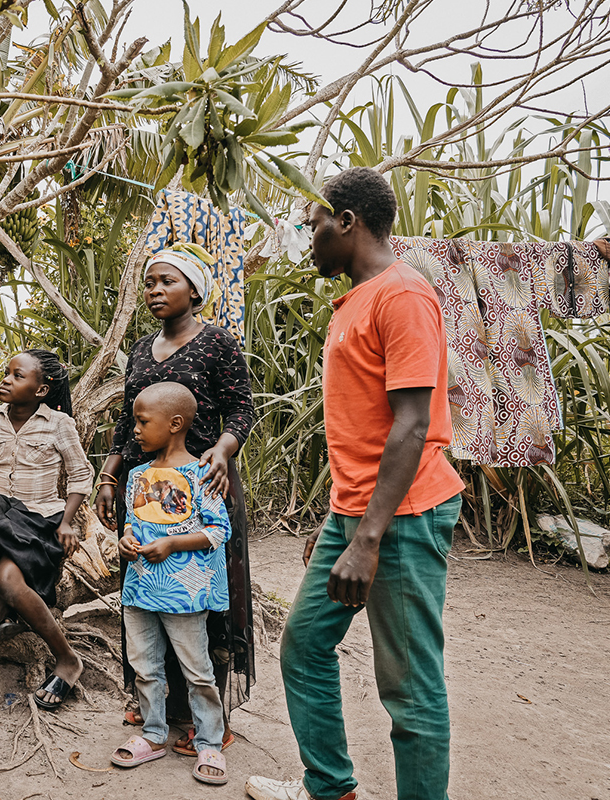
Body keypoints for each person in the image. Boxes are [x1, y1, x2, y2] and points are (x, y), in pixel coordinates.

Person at [245, 167, 465, 800]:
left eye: (313, 225)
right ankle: (330, 788)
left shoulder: (403, 295)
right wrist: (338, 523)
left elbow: (413, 424)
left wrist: (367, 538)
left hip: (403, 517)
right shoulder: (357, 299)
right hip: (358, 515)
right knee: (305, 647)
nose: (308, 237)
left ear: (348, 222)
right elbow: (363, 433)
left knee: (408, 687)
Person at [94, 243, 254, 755]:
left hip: (204, 484)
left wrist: (223, 452)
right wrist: (110, 475)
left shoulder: (218, 344)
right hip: (145, 488)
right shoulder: (141, 349)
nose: (155, 290)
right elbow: (128, 419)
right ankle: (155, 708)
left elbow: (242, 410)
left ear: (195, 290)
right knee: (147, 590)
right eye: (149, 282)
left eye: (167, 281)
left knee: (201, 596)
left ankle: (204, 720)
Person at [0, 350, 92, 710]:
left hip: (39, 519)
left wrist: (66, 522)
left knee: (8, 581)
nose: (6, 380)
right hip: (1, 516)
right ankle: (4, 601)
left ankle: (67, 659)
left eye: (18, 376)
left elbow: (81, 475)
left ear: (41, 389)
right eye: (7, 373)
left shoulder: (59, 424)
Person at [109, 382, 230, 786]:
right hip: (140, 589)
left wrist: (173, 543)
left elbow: (217, 532)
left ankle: (210, 741)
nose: (135, 431)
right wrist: (126, 540)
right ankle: (154, 734)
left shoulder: (202, 474)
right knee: (144, 666)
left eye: (142, 422)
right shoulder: (139, 473)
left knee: (197, 670)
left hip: (185, 593)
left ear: (175, 424)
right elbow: (133, 522)